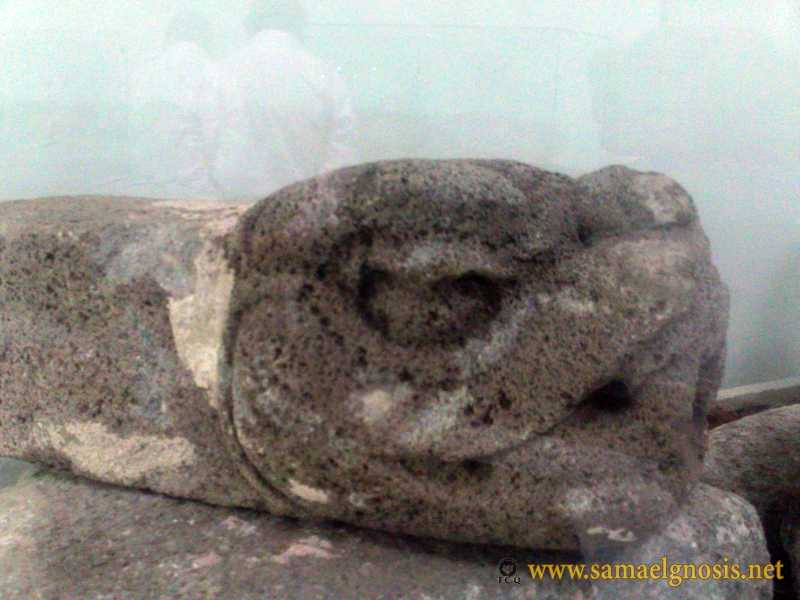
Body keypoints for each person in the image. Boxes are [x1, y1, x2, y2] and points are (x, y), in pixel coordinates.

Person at [211, 0, 358, 201]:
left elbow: (205, 141)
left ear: (250, 25)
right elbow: (343, 145)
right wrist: (319, 196)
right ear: (299, 25)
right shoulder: (324, 73)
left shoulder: (221, 71)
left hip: (232, 202)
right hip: (301, 206)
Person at [128, 10, 221, 198]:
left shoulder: (143, 74)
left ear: (170, 36)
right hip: (198, 193)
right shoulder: (214, 73)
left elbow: (136, 131)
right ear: (206, 38)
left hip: (146, 190)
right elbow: (216, 137)